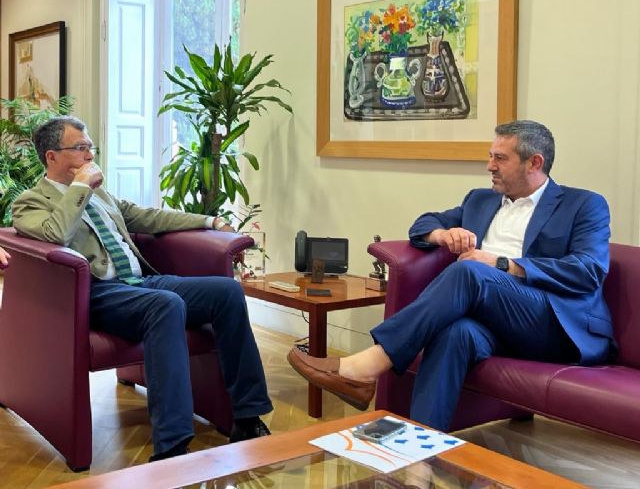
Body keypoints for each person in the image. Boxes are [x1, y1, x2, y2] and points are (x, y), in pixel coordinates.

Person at [288, 120, 615, 431]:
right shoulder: (481, 200)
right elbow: (422, 224)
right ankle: (421, 453)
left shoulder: (583, 204)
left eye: (500, 158)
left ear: (535, 163)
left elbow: (588, 270)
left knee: (469, 271)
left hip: (554, 324)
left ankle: (367, 366)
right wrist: (443, 235)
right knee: (455, 334)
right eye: (490, 156)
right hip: (493, 319)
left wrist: (501, 263)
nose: (489, 166)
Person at [12, 116, 273, 461]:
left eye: (91, 147)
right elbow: (56, 234)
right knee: (166, 305)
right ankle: (172, 445)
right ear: (52, 156)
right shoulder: (30, 202)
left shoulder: (101, 194)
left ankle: (247, 416)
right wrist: (79, 188)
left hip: (142, 281)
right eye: (80, 147)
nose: (90, 155)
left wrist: (210, 221)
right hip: (95, 293)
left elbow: (147, 216)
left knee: (227, 292)